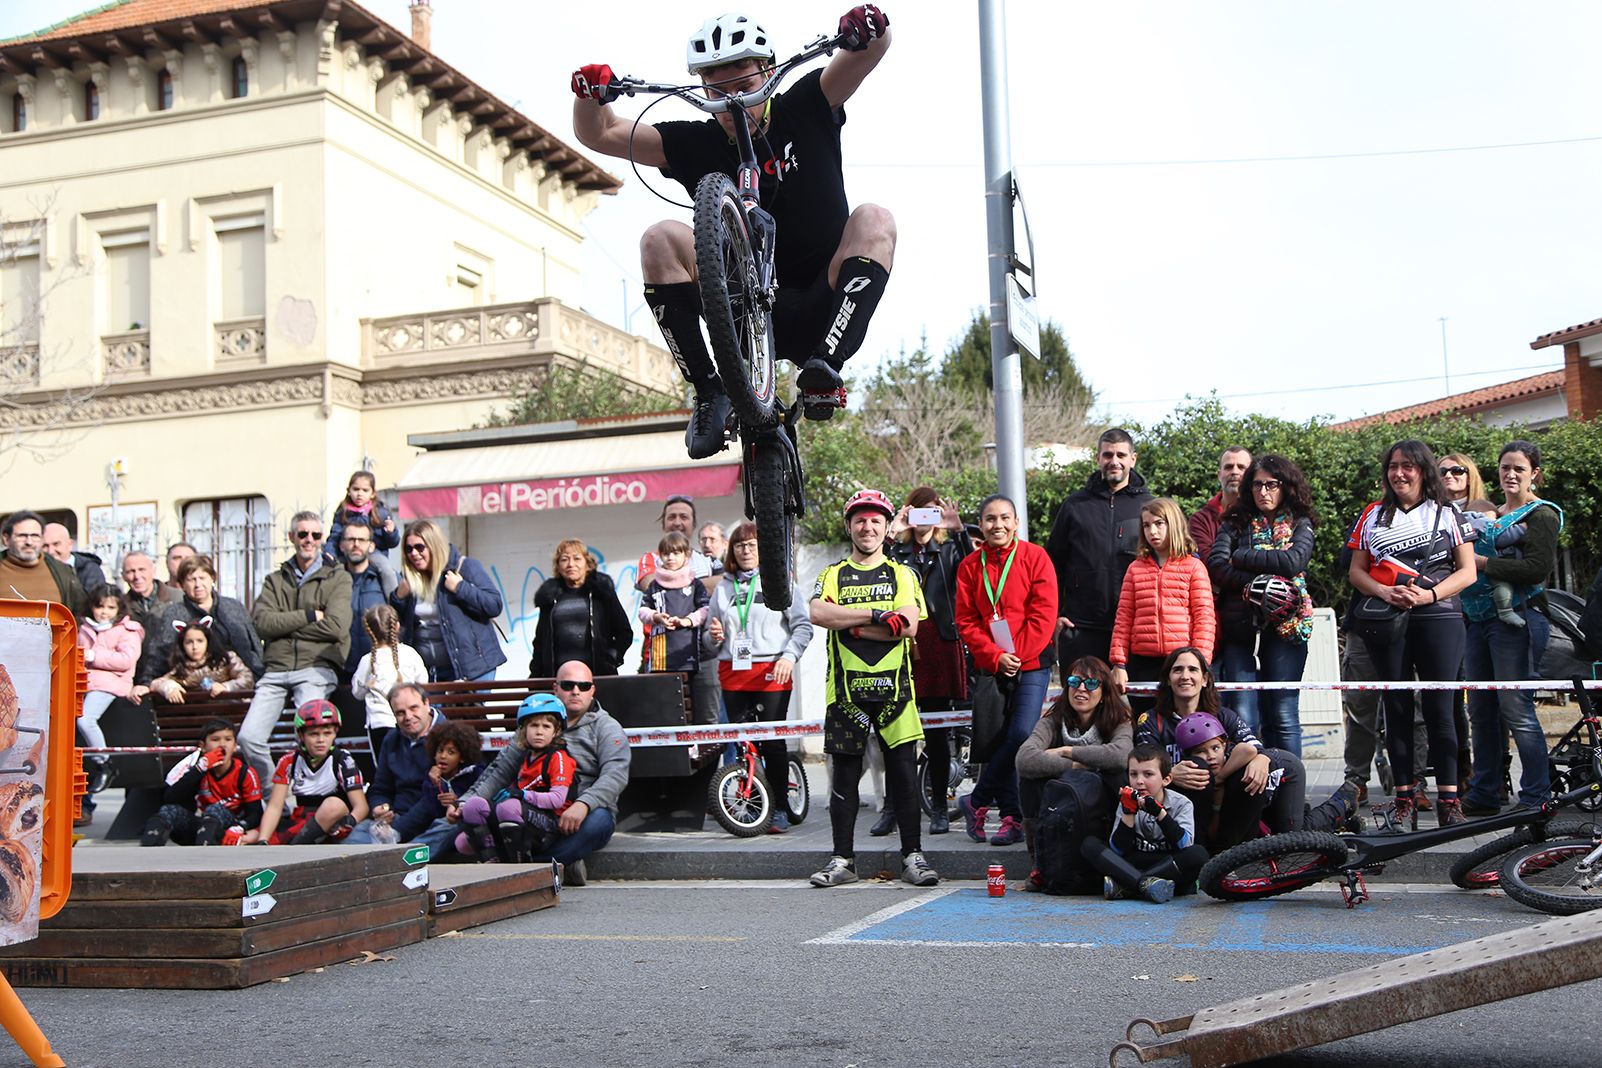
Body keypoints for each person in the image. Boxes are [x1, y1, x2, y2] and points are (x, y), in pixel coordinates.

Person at [571, 6, 895, 452]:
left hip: (824, 299)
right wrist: (589, 95)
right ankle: (709, 391)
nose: (732, 103)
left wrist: (869, 27)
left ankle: (825, 367)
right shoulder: (694, 142)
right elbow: (600, 133)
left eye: (744, 86)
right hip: (744, 312)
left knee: (875, 219)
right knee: (658, 239)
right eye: (717, 91)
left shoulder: (805, 102)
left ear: (768, 70)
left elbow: (869, 52)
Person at [807, 488, 938, 888]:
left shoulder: (902, 573)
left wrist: (853, 623)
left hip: (895, 692)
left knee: (903, 776)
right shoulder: (832, 574)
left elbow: (909, 626)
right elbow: (818, 612)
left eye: (875, 520)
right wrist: (876, 615)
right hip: (845, 693)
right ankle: (842, 861)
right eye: (860, 520)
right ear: (849, 526)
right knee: (844, 780)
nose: (867, 527)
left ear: (886, 529)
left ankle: (913, 857)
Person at [1347, 439, 1477, 829]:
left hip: (1439, 617)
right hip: (1388, 620)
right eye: (1393, 466)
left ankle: (1449, 800)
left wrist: (1430, 594)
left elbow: (1468, 571)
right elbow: (1357, 571)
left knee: (1443, 711)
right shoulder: (1372, 514)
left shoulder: (1448, 512)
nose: (1399, 473)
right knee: (1396, 708)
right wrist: (1385, 591)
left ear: (1424, 471)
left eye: (1408, 466)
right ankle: (1403, 798)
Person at [450, 661, 631, 885]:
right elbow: (499, 771)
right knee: (470, 815)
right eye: (568, 685)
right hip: (532, 810)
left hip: (583, 811)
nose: (576, 691)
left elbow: (615, 775)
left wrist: (583, 804)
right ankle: (552, 866)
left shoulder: (607, 727)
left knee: (598, 823)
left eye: (583, 686)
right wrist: (464, 801)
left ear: (592, 690)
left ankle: (529, 867)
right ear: (555, 687)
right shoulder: (537, 721)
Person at [1462, 440, 1563, 816]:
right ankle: (1486, 792)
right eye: (1505, 467)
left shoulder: (1542, 515)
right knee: (1481, 711)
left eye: (1519, 468)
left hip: (1519, 620)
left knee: (1516, 709)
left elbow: (1536, 569)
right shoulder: (1486, 513)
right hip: (1477, 621)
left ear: (1534, 473)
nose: (1511, 474)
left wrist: (1482, 563)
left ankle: (1537, 796)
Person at [954, 494, 1058, 848]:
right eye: (990, 519)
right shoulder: (970, 565)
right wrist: (996, 655)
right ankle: (1011, 817)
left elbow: (1043, 615)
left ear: (1016, 523)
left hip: (1032, 664)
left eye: (1004, 518)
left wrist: (1018, 655)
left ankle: (977, 799)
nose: (997, 525)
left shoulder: (1035, 557)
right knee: (998, 739)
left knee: (1020, 735)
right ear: (980, 525)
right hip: (991, 666)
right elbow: (966, 621)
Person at [1207, 454, 1318, 754]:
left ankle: (1290, 791)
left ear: (1286, 487)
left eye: (1271, 484)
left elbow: (1294, 561)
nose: (1263, 492)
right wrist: (1259, 587)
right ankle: (1252, 793)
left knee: (1282, 713)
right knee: (1244, 714)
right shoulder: (1234, 521)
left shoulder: (1300, 522)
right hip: (1239, 629)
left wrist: (1241, 558)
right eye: (1256, 485)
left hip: (1288, 628)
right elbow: (1216, 566)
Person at [706, 521, 813, 832]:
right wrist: (713, 636)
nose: (746, 550)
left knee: (771, 742)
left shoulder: (780, 582)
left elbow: (803, 627)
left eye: (752, 544)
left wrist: (789, 657)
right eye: (740, 545)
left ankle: (780, 806)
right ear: (732, 551)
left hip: (772, 670)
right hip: (734, 673)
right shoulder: (723, 587)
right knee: (741, 743)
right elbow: (709, 641)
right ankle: (755, 802)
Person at [238, 512, 352, 785]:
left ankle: (311, 794)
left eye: (315, 535)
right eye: (302, 534)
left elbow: (336, 627)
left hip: (317, 666)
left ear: (322, 539)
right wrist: (311, 616)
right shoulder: (275, 580)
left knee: (312, 732)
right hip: (276, 669)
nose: (309, 540)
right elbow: (262, 623)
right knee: (248, 738)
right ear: (292, 537)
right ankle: (272, 798)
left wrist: (285, 625)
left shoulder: (337, 578)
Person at [883, 486, 972, 836]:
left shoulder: (948, 549)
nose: (924, 519)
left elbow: (973, 571)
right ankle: (893, 808)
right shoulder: (898, 551)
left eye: (930, 512)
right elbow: (878, 570)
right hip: (902, 640)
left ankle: (939, 807)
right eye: (918, 511)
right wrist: (893, 530)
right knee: (894, 729)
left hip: (939, 643)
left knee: (936, 733)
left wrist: (958, 529)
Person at [1134, 647, 1271, 851]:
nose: (1185, 676)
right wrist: (1169, 774)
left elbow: (1254, 746)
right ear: (1168, 679)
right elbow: (1142, 767)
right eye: (1178, 670)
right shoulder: (1151, 720)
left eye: (1193, 670)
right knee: (1198, 766)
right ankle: (1196, 856)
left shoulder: (1223, 715)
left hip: (1223, 804)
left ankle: (1233, 855)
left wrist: (1262, 759)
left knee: (1251, 771)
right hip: (1175, 803)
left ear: (1205, 679)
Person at [1016, 657, 1134, 889]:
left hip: (1099, 802)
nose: (1081, 689)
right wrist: (1073, 766)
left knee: (1119, 776)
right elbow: (1024, 759)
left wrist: (1068, 751)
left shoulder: (1119, 719)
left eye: (1091, 683)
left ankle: (1116, 860)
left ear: (1104, 691)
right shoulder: (1053, 720)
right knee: (1029, 781)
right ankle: (1040, 865)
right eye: (1074, 681)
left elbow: (1120, 755)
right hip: (1063, 802)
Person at [1045, 428, 1154, 668]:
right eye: (1107, 455)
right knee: (1083, 702)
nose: (1114, 461)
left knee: (1141, 705)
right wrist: (1055, 615)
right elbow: (1052, 565)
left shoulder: (1150, 506)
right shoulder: (1075, 505)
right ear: (1098, 459)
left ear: (1132, 459)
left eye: (1121, 455)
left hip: (1136, 626)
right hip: (1081, 628)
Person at [1174, 710, 1356, 852]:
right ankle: (1327, 819)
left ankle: (1342, 802)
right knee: (1276, 830)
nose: (1211, 757)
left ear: (1225, 746)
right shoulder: (1198, 773)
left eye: (1215, 748)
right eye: (1200, 752)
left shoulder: (1233, 756)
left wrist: (1219, 779)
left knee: (1293, 838)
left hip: (1286, 770)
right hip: (1265, 792)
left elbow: (1248, 750)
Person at [1109, 496, 1215, 713]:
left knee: (1184, 728)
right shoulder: (1135, 569)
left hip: (1181, 663)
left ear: (1173, 524)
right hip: (1142, 664)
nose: (1152, 532)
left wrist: (1199, 662)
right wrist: (1118, 663)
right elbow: (1123, 618)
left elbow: (1204, 618)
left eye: (1159, 524)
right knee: (1145, 726)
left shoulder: (1194, 567)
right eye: (1146, 525)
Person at [457, 693, 576, 862]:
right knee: (471, 813)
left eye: (546, 726)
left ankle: (520, 868)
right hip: (522, 816)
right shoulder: (525, 758)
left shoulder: (558, 757)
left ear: (556, 731)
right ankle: (492, 862)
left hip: (550, 824)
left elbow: (557, 799)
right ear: (524, 730)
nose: (539, 732)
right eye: (534, 726)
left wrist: (522, 795)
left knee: (509, 807)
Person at [635, 495, 722, 724]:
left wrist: (690, 585)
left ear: (693, 523)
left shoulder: (709, 560)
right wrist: (700, 584)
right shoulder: (650, 558)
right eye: (671, 517)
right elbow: (650, 584)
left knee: (708, 721)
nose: (677, 522)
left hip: (704, 654)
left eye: (684, 517)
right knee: (665, 719)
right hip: (661, 654)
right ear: (663, 522)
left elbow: (725, 583)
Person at [1081, 745, 1206, 903]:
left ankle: (1127, 886)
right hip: (1135, 861)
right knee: (1089, 845)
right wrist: (1129, 813)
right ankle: (1143, 884)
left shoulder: (1182, 803)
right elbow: (1118, 850)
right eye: (1133, 774)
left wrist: (1160, 813)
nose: (1139, 781)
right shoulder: (1127, 801)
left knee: (1198, 854)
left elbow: (1185, 844)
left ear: (1166, 779)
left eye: (1148, 774)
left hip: (1167, 863)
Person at [348, 684, 457, 857]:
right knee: (352, 841)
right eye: (400, 712)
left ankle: (399, 857)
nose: (408, 717)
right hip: (395, 819)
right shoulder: (391, 739)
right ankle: (397, 855)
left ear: (427, 704)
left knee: (451, 827)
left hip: (433, 819)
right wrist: (379, 807)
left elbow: (435, 799)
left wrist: (397, 831)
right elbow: (381, 788)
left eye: (413, 708)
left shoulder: (450, 738)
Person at [393, 519, 506, 683]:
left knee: (470, 710)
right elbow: (398, 623)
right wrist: (398, 598)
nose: (414, 554)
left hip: (470, 669)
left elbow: (494, 605)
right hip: (427, 673)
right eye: (409, 549)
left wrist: (460, 587)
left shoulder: (465, 567)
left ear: (434, 545)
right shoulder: (409, 581)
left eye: (420, 547)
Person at [134, 554, 263, 690]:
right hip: (195, 687)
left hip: (240, 682)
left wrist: (259, 674)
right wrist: (146, 683)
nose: (198, 585)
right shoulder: (174, 613)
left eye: (202, 578)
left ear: (212, 579)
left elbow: (253, 645)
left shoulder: (233, 607)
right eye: (191, 580)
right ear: (182, 584)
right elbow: (159, 653)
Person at [255, 700, 368, 845]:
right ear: (302, 736)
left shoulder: (343, 759)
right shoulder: (288, 761)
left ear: (335, 734)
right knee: (251, 837)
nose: (321, 740)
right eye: (313, 734)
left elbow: (361, 806)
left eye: (327, 733)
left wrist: (349, 822)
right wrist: (262, 840)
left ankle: (294, 849)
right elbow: (274, 806)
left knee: (333, 805)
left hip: (336, 821)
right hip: (302, 819)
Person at [140, 719, 263, 846]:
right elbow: (170, 798)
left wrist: (240, 827)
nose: (222, 745)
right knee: (169, 811)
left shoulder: (245, 772)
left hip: (231, 829)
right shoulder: (198, 768)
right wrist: (200, 768)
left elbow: (256, 814)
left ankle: (204, 859)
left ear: (235, 746)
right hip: (202, 827)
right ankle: (146, 854)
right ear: (203, 746)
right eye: (215, 740)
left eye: (228, 739)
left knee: (215, 809)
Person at [528, 539, 634, 678]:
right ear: (558, 566)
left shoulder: (601, 592)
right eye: (564, 560)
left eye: (577, 559)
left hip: (597, 674)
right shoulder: (549, 596)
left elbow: (624, 633)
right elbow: (541, 640)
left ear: (587, 564)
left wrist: (611, 658)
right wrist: (536, 673)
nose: (571, 564)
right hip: (559, 677)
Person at [78, 589, 143, 794]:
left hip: (111, 683)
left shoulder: (128, 630)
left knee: (85, 719)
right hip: (83, 683)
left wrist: (93, 656)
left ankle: (104, 764)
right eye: (100, 606)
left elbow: (126, 660)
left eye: (110, 607)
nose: (104, 612)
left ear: (118, 609)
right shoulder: (85, 627)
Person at [335, 517, 391, 730]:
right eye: (350, 539)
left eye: (361, 539)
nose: (356, 544)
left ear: (371, 545)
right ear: (342, 545)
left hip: (377, 668)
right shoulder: (334, 581)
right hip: (344, 670)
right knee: (350, 735)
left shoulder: (383, 579)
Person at [350, 604, 427, 755]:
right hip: (409, 720)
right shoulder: (410, 654)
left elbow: (357, 693)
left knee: (383, 769)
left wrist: (367, 686)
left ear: (368, 631)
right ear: (397, 626)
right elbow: (423, 683)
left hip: (379, 722)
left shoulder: (367, 661)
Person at [639, 531, 711, 675]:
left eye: (676, 553)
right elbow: (642, 610)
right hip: (661, 656)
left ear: (687, 555)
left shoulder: (695, 584)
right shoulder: (654, 585)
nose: (671, 558)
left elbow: (705, 609)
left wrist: (687, 621)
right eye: (666, 554)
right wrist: (656, 617)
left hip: (690, 655)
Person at [147, 620, 256, 703]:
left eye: (200, 641)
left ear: (208, 642)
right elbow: (156, 683)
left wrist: (226, 687)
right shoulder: (182, 669)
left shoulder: (225, 659)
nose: (195, 647)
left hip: (232, 712)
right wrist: (169, 687)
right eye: (189, 642)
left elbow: (247, 678)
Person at [328, 470, 400, 595]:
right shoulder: (343, 512)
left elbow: (391, 543)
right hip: (347, 553)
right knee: (331, 571)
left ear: (372, 493)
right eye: (356, 489)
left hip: (374, 553)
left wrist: (391, 532)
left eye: (365, 490)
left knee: (386, 570)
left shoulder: (380, 513)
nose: (360, 494)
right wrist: (330, 552)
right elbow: (335, 536)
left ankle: (392, 600)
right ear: (349, 490)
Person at [0, 510, 85, 613]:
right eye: (22, 536)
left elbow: (82, 611)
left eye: (35, 536)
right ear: (6, 539)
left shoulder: (63, 572)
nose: (29, 542)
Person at [1462, 498, 1529, 628]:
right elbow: (1500, 537)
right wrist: (1522, 528)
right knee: (1503, 585)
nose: (1498, 520)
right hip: (1486, 568)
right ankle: (1505, 611)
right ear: (1484, 512)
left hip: (1468, 574)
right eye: (1496, 516)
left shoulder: (1462, 524)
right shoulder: (1483, 522)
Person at [1188, 446, 1252, 562]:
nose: (1234, 472)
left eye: (1241, 467)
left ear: (1252, 475)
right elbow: (1207, 563)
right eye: (1228, 467)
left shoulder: (1263, 514)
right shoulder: (1200, 521)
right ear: (1219, 475)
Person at [42, 523, 106, 597]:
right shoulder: (39, 570)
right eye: (45, 546)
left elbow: (95, 603)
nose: (51, 551)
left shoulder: (91, 571)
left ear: (70, 544)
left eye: (56, 544)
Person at [119, 550, 179, 627]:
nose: (137, 576)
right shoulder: (121, 606)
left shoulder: (178, 598)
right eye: (131, 571)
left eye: (142, 570)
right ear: (123, 576)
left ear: (153, 571)